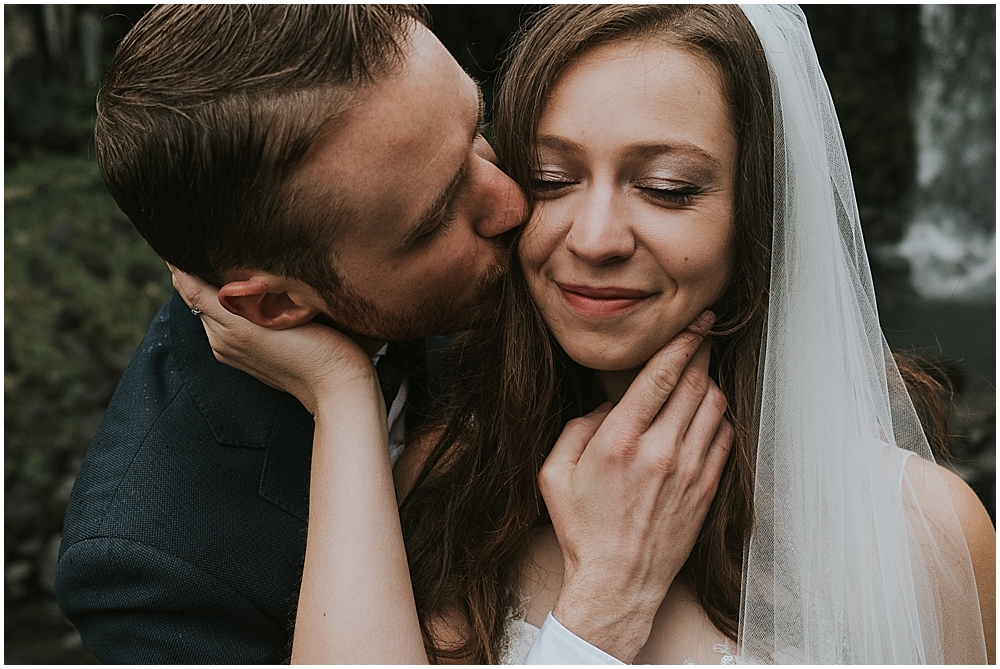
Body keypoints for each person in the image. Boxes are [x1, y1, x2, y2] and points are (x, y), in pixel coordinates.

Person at [177, 3, 995, 664]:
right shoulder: (452, 489)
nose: (595, 236)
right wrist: (344, 392)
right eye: (552, 178)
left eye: (668, 188)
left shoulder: (923, 533)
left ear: (758, 216)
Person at [56, 5, 729, 664]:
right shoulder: (153, 571)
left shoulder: (577, 267)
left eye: (475, 130)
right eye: (437, 219)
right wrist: (602, 613)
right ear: (275, 305)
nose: (516, 203)